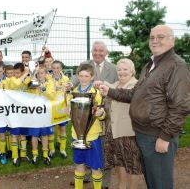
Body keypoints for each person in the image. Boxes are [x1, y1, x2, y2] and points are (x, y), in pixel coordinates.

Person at [99, 25, 190, 189]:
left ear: (172, 40)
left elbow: (180, 106)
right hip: (144, 134)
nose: (155, 40)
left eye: (160, 37)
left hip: (157, 135)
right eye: (152, 37)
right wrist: (110, 91)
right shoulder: (151, 65)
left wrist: (165, 137)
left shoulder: (176, 65)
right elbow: (134, 94)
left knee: (160, 183)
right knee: (153, 182)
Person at [71, 41, 117, 188]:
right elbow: (73, 83)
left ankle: (104, 183)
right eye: (95, 50)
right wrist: (67, 86)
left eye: (101, 50)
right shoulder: (85, 65)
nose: (97, 53)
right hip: (84, 120)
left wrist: (105, 87)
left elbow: (118, 87)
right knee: (83, 155)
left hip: (107, 112)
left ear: (106, 52)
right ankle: (84, 176)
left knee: (105, 149)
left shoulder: (114, 69)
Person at [101, 59, 142, 189]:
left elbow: (125, 96)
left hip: (129, 132)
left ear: (132, 71)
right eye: (119, 69)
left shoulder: (136, 85)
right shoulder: (115, 84)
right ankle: (121, 186)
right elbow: (106, 89)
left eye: (125, 69)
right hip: (114, 131)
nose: (122, 72)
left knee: (133, 166)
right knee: (119, 163)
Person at [69, 63, 105, 189]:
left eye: (86, 76)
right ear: (78, 76)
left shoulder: (96, 93)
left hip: (92, 135)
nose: (83, 78)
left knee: (96, 167)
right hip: (77, 134)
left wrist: (101, 114)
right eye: (81, 76)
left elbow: (102, 112)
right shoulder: (74, 92)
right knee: (79, 164)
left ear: (92, 76)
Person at [28, 64, 56, 166]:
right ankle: (35, 155)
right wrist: (33, 76)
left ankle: (45, 154)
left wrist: (43, 89)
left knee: (44, 135)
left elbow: (52, 96)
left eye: (42, 73)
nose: (40, 75)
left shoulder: (50, 83)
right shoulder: (33, 83)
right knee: (34, 135)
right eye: (38, 73)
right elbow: (27, 93)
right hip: (35, 113)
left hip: (46, 113)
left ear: (46, 74)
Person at [8, 62, 31, 166]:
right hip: (14, 111)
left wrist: (28, 73)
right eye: (15, 72)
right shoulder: (12, 79)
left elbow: (31, 83)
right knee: (14, 134)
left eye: (18, 73)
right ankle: (15, 156)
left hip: (24, 111)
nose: (15, 74)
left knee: (23, 134)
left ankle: (23, 154)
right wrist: (25, 73)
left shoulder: (25, 78)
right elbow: (17, 84)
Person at [49, 60, 70, 159]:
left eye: (58, 68)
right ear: (51, 68)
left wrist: (68, 105)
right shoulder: (48, 79)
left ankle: (63, 149)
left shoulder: (66, 79)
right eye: (54, 68)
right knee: (51, 130)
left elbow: (69, 93)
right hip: (52, 108)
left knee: (62, 128)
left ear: (61, 68)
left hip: (62, 108)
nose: (56, 70)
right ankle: (52, 149)